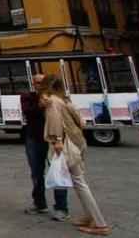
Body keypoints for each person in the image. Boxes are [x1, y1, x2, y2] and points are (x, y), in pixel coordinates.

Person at [40, 74, 109, 236]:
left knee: (79, 183)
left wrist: (57, 140)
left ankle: (99, 224)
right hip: (79, 141)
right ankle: (88, 216)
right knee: (80, 181)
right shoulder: (65, 99)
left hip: (66, 144)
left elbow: (54, 121)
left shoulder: (50, 100)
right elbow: (82, 121)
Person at [20, 74, 69, 220]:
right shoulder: (27, 97)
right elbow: (27, 111)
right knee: (36, 173)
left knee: (57, 172)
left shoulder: (55, 98)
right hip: (34, 138)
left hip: (53, 140)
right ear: (33, 83)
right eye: (38, 82)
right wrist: (39, 105)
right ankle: (39, 203)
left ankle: (61, 207)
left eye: (43, 82)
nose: (41, 85)